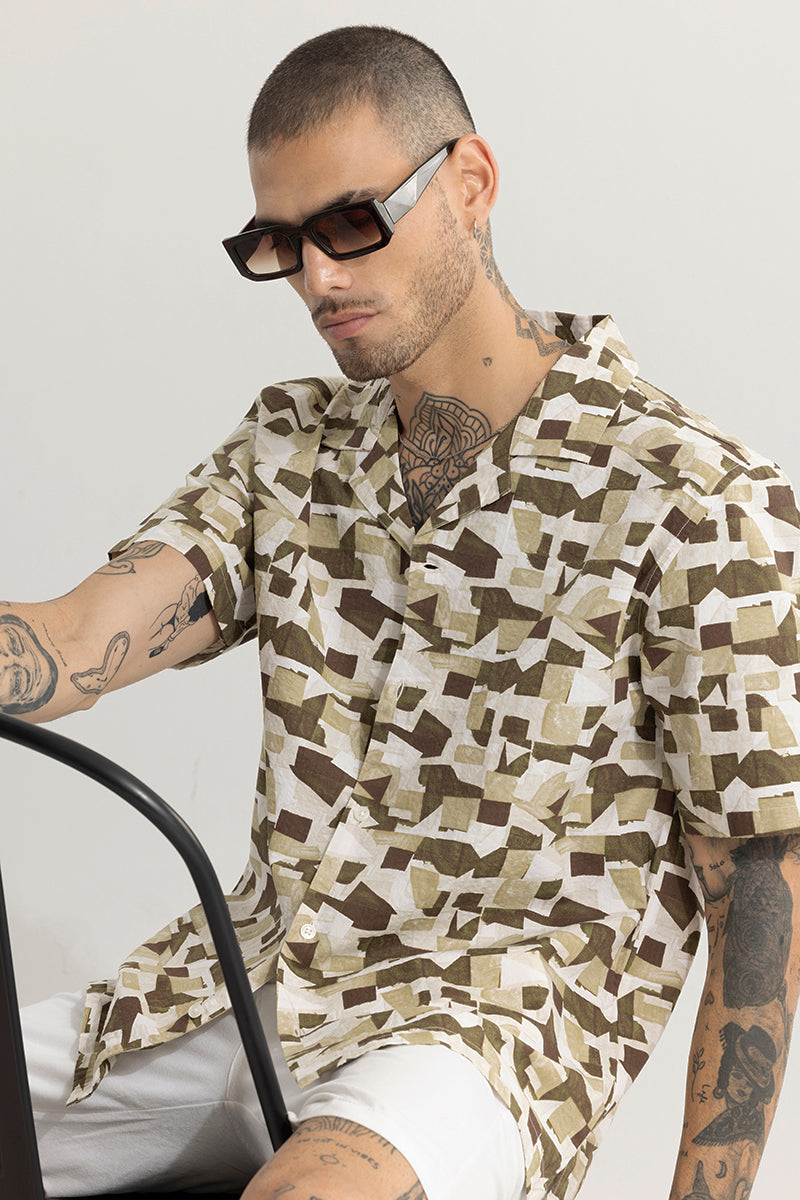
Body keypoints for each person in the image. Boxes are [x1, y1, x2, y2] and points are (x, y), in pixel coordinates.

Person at [5, 23, 800, 1200]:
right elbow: (75, 639)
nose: (316, 280)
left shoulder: (695, 499)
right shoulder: (288, 448)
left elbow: (756, 890)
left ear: (469, 182)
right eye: (279, 244)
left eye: (349, 223)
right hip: (236, 986)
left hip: (482, 1036)